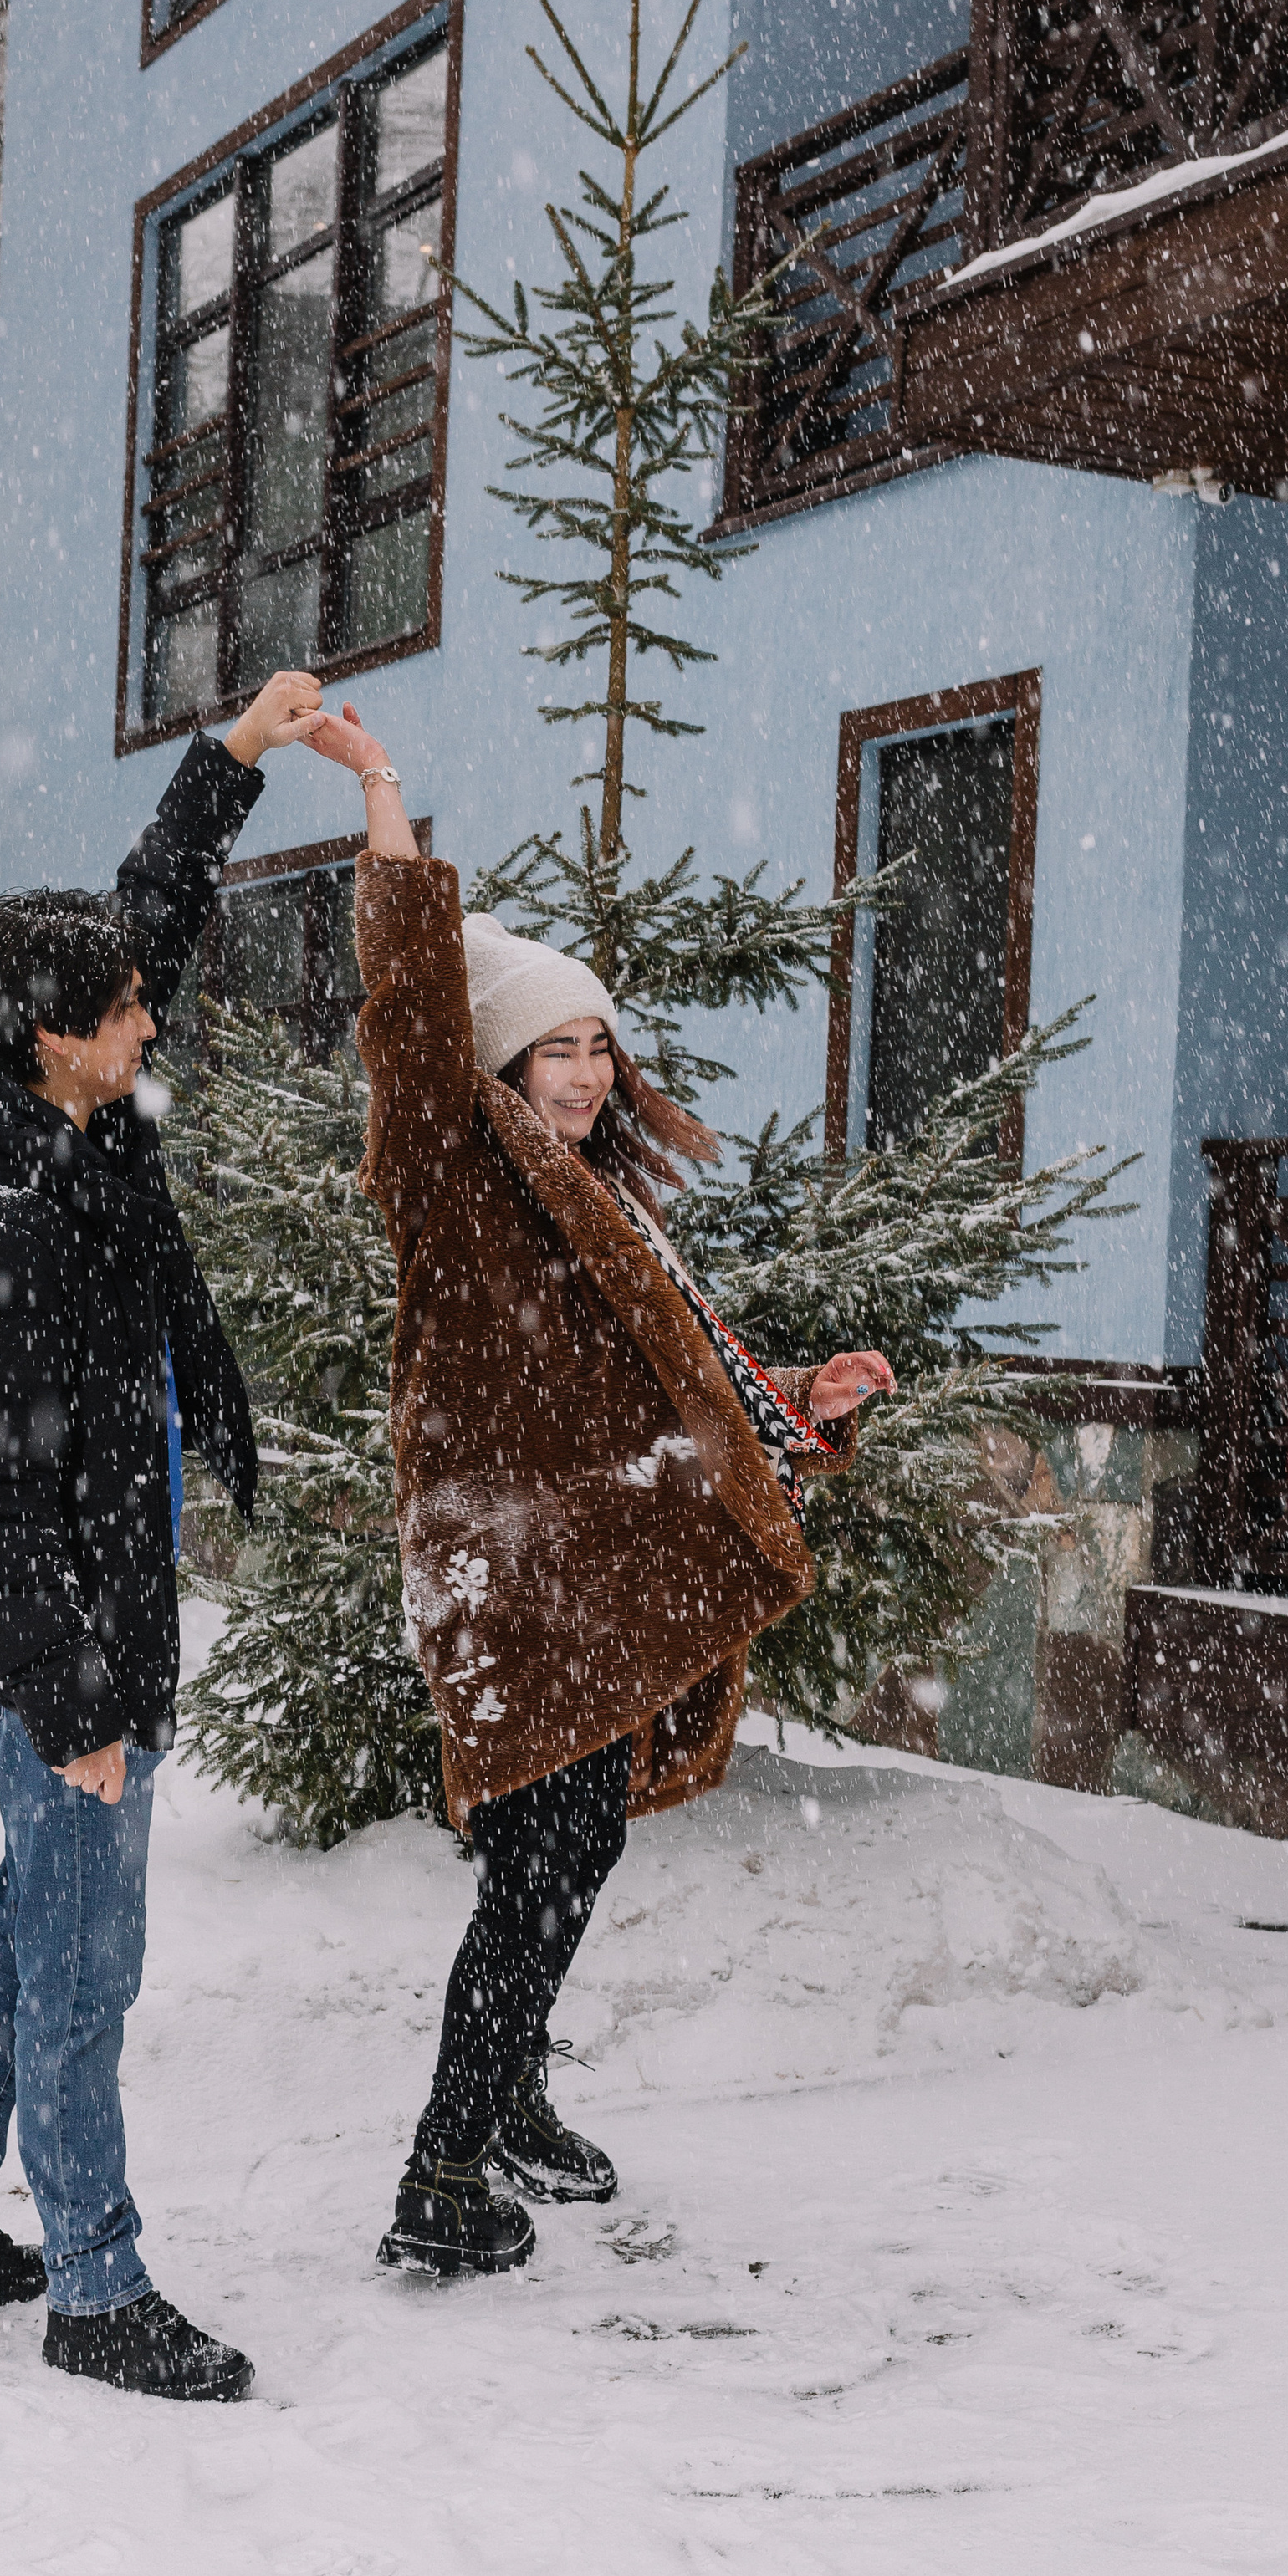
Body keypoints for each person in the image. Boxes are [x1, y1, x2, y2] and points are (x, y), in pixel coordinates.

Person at [299, 699, 895, 2278]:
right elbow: (410, 1004)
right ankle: (441, 2170)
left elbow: (679, 1368)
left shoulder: (595, 1200)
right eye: (555, 1043)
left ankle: (504, 2101)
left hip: (586, 1565)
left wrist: (797, 1412)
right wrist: (380, 787)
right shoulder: (449, 1162)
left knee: (576, 1847)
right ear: (497, 1055)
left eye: (595, 1043)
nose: (584, 1069)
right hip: (508, 1570)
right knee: (543, 1859)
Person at [0, 671, 326, 2398]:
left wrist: (238, 756)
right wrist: (78, 1709)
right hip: (44, 1634)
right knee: (81, 1970)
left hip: (91, 1605)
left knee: (26, 1931)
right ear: (43, 1031)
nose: (151, 1022)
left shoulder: (74, 1126)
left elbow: (149, 914)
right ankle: (93, 2288)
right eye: (121, 1012)